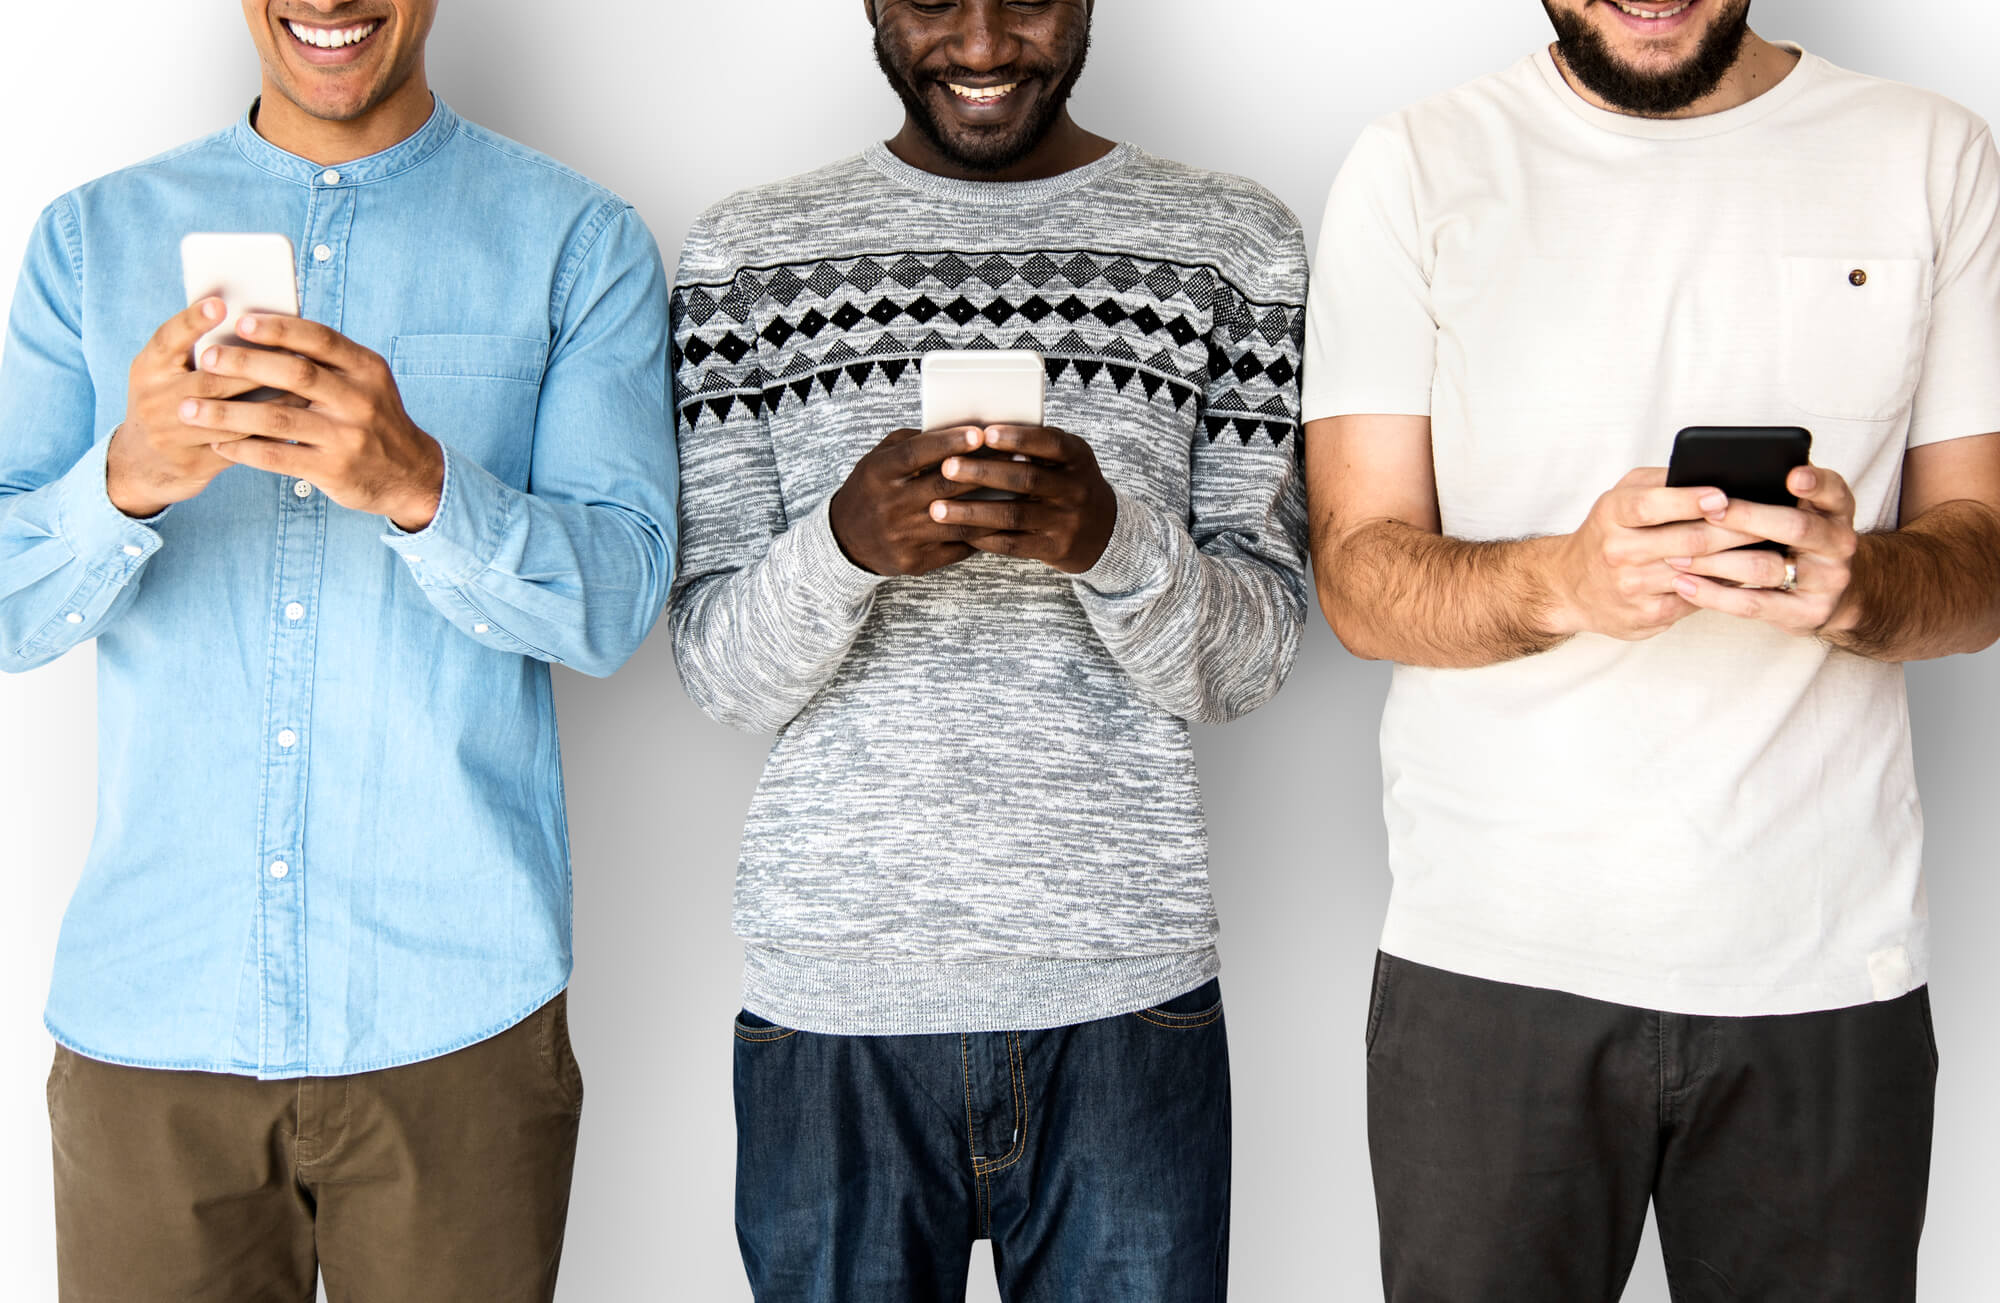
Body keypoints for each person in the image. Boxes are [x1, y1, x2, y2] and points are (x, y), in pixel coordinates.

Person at [1304, 1, 2000, 1298]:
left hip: (1826, 974)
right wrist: (1563, 581)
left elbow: (1986, 562)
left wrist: (1862, 585)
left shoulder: (1933, 155)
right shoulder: (1417, 163)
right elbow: (1357, 577)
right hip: (1488, 973)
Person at [0, 3, 676, 1298]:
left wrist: (423, 483)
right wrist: (123, 480)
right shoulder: (88, 244)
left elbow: (617, 603)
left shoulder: (575, 242)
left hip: (457, 1028)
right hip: (153, 1027)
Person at [668, 1, 1308, 1297]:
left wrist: (1111, 542)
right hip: (835, 997)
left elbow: (1254, 659)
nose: (979, 41)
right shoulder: (746, 257)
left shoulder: (1234, 245)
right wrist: (839, 547)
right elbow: (716, 672)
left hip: (1126, 994)